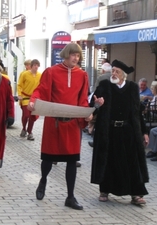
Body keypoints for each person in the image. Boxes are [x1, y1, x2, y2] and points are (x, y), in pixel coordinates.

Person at [27, 43, 101, 210]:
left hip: (72, 124)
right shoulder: (51, 72)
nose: (76, 58)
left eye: (78, 56)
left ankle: (70, 196)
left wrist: (86, 114)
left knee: (72, 161)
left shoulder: (82, 75)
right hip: (54, 122)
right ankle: (43, 180)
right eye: (73, 55)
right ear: (66, 54)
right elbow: (41, 90)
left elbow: (82, 99)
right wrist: (33, 101)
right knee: (47, 158)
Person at [90, 59, 149, 206]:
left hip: (128, 131)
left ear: (123, 75)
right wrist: (97, 104)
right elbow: (93, 102)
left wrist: (144, 132)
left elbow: (137, 112)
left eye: (117, 71)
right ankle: (104, 190)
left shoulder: (132, 87)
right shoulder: (104, 85)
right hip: (108, 130)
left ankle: (136, 193)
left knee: (132, 162)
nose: (114, 73)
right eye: (113, 71)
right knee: (108, 160)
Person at [17, 59, 41, 140]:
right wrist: (19, 94)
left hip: (35, 98)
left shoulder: (40, 75)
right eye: (35, 65)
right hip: (25, 97)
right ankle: (24, 128)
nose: (36, 67)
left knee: (32, 116)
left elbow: (42, 87)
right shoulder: (24, 74)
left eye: (37, 65)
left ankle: (30, 132)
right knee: (26, 115)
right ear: (31, 66)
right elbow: (19, 85)